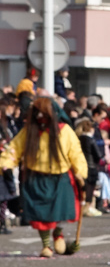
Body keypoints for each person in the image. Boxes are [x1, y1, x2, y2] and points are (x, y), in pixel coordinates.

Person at [0, 96, 89, 256]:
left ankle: (58, 234)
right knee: (40, 215)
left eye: (44, 113)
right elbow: (14, 148)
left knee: (64, 210)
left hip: (60, 178)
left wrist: (80, 172)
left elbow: (76, 153)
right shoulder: (28, 131)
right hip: (36, 178)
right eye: (37, 113)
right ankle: (46, 245)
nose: (40, 117)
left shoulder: (65, 131)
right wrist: (5, 163)